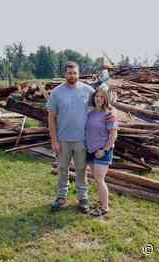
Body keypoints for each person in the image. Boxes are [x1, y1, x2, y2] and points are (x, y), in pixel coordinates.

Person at [47, 61, 115, 213]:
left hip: (82, 139)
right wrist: (54, 141)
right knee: (63, 168)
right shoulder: (56, 93)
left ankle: (82, 198)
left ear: (78, 73)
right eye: (69, 73)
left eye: (75, 73)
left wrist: (113, 112)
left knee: (80, 170)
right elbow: (51, 118)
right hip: (63, 139)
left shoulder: (88, 90)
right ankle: (61, 197)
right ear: (65, 74)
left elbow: (103, 100)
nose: (72, 76)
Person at [85, 86, 117, 217]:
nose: (99, 99)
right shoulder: (91, 113)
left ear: (105, 99)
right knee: (96, 179)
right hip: (90, 150)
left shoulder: (109, 114)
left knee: (99, 179)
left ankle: (104, 207)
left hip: (102, 151)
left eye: (102, 97)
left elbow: (113, 135)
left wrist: (104, 150)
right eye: (97, 96)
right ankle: (101, 202)